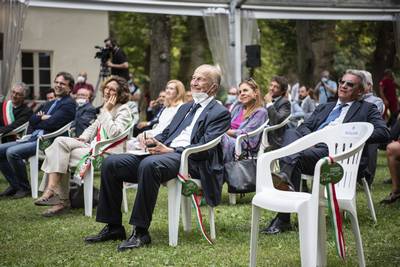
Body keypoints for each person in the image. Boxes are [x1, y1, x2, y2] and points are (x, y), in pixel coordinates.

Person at [84, 64, 231, 250]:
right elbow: (168, 133)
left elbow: (205, 148)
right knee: (112, 163)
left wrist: (170, 150)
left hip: (191, 160)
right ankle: (113, 227)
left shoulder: (220, 113)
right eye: (193, 78)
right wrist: (152, 140)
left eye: (200, 79)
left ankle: (140, 231)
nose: (194, 83)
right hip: (164, 153)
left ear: (213, 88)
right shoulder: (185, 108)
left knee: (149, 165)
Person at [261, 69, 390, 235]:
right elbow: (305, 126)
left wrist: (348, 134)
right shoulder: (325, 107)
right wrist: (310, 141)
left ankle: (283, 212)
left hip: (337, 156)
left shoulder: (366, 109)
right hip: (311, 150)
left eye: (349, 84)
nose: (343, 86)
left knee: (293, 157)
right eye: (341, 82)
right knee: (290, 133)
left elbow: (383, 133)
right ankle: (286, 189)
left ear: (360, 91)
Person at [34, 76, 134, 216]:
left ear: (120, 93)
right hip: (92, 145)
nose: (107, 91)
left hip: (106, 152)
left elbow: (114, 133)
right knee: (60, 142)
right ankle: (53, 193)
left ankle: (58, 198)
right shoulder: (108, 108)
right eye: (106, 88)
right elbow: (93, 128)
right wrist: (83, 137)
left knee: (57, 152)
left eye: (112, 89)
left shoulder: (123, 110)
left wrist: (105, 110)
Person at [0, 72, 76, 199]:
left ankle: (24, 188)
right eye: (56, 82)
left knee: (12, 152)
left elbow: (52, 123)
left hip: (46, 141)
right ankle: (15, 185)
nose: (58, 85)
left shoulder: (69, 104)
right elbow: (32, 119)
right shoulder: (51, 103)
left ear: (70, 88)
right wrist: (42, 118)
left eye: (62, 83)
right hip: (32, 138)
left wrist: (41, 119)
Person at [222, 79, 267, 163]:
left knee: (218, 138)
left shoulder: (260, 112)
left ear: (255, 93)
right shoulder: (238, 108)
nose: (242, 93)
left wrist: (225, 132)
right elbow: (225, 123)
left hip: (244, 144)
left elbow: (247, 133)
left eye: (245, 90)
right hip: (229, 139)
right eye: (240, 92)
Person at [134, 80, 185, 146]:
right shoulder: (166, 108)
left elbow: (169, 131)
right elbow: (158, 128)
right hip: (156, 136)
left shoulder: (181, 107)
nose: (167, 91)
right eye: (167, 88)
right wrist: (144, 134)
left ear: (178, 92)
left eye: (171, 89)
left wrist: (151, 137)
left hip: (166, 141)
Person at [264, 76, 291, 149]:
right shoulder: (267, 100)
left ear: (282, 91)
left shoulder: (285, 102)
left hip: (274, 139)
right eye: (271, 85)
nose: (271, 88)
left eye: (276, 87)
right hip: (262, 134)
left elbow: (277, 120)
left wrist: (269, 103)